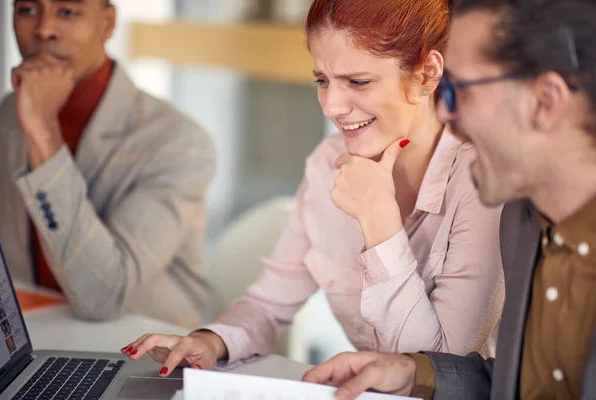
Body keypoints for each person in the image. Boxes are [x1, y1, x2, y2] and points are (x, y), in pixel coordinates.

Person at [122, 0, 507, 375]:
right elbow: (268, 305)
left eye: (358, 81)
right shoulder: (327, 163)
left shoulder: (484, 181)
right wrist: (208, 341)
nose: (331, 106)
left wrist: (380, 223)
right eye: (322, 80)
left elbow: (439, 369)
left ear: (426, 73)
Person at [302, 0, 596, 399]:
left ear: (545, 101)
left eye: (460, 90)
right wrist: (414, 372)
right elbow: (519, 383)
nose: (445, 113)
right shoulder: (522, 226)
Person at [0, 0, 215, 327]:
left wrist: (43, 132)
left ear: (108, 23)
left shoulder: (179, 141)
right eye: (27, 10)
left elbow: (104, 296)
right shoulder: (7, 115)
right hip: (39, 334)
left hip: (145, 345)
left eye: (67, 12)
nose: (43, 30)